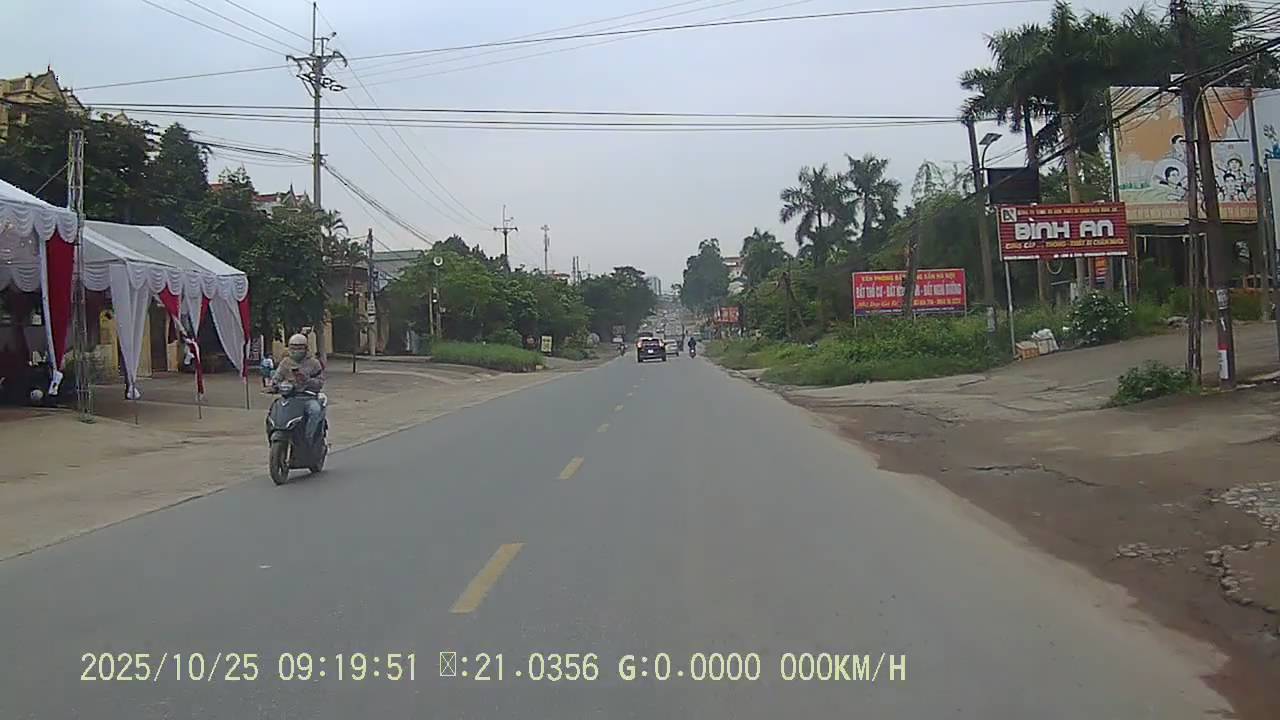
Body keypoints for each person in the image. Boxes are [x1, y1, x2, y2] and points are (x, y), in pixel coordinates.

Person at [272, 333, 326, 442]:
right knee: (274, 409)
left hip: (307, 397)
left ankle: (308, 438)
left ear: (306, 348)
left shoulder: (314, 363)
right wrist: (274, 385)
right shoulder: (285, 363)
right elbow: (277, 378)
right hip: (289, 398)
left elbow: (320, 382)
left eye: (300, 348)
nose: (296, 351)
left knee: (315, 411)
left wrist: (306, 380)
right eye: (293, 348)